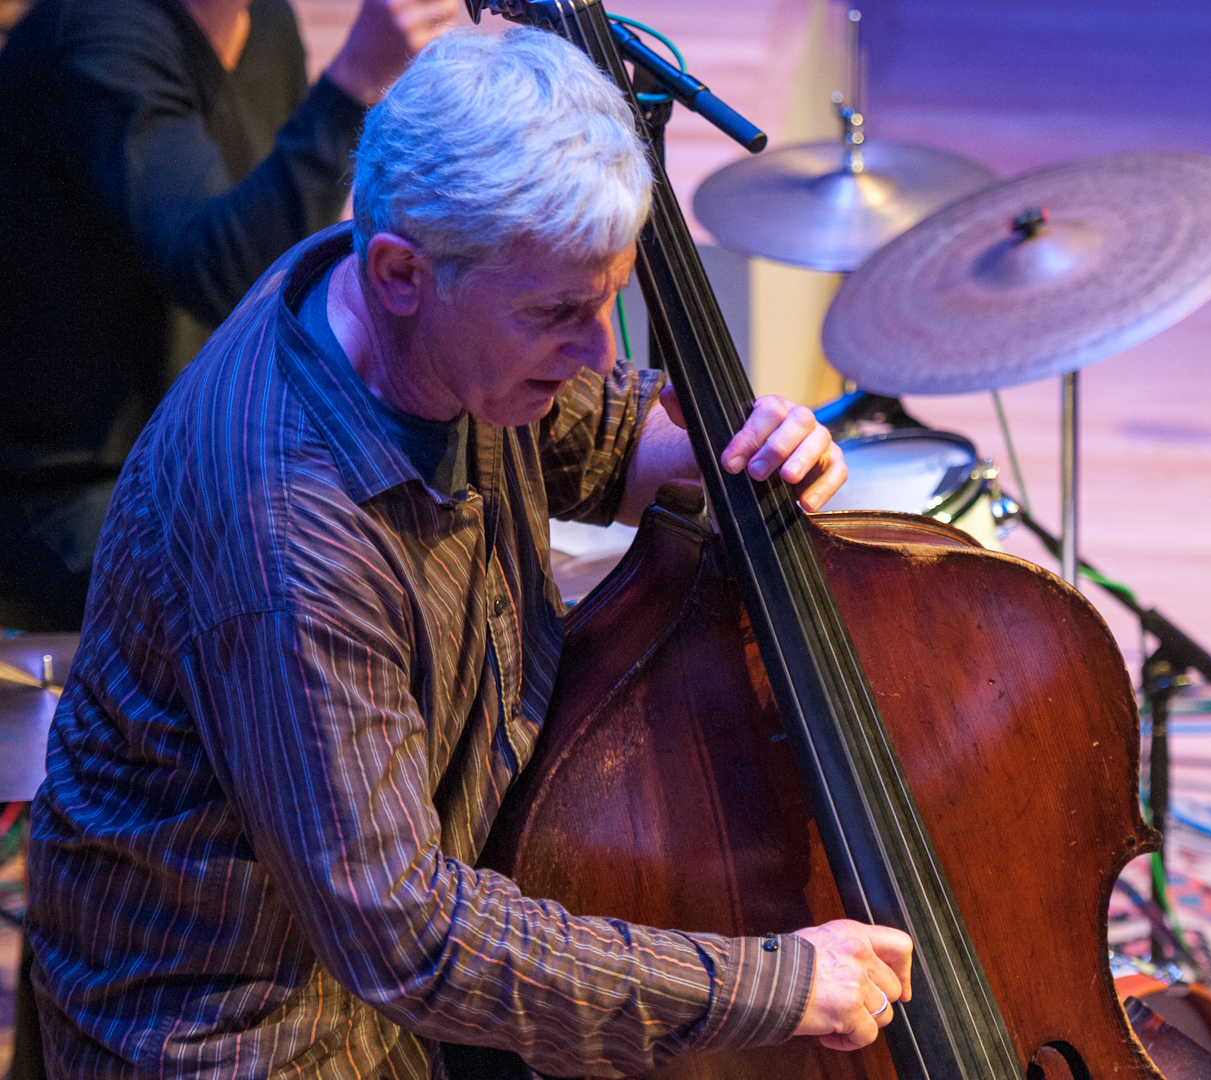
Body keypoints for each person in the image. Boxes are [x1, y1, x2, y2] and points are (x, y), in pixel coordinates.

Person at [25, 24, 912, 1080]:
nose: (594, 352)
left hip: (387, 987)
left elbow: (608, 435)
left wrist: (737, 449)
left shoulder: (423, 318)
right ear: (400, 272)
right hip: (235, 1038)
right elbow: (406, 942)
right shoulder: (294, 546)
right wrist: (769, 985)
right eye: (557, 316)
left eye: (605, 305)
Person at [0, 0, 458, 632]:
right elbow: (222, 273)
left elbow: (278, 270)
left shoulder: (266, 24)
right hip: (62, 495)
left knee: (440, 531)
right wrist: (355, 78)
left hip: (199, 459)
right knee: (311, 579)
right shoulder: (93, 30)